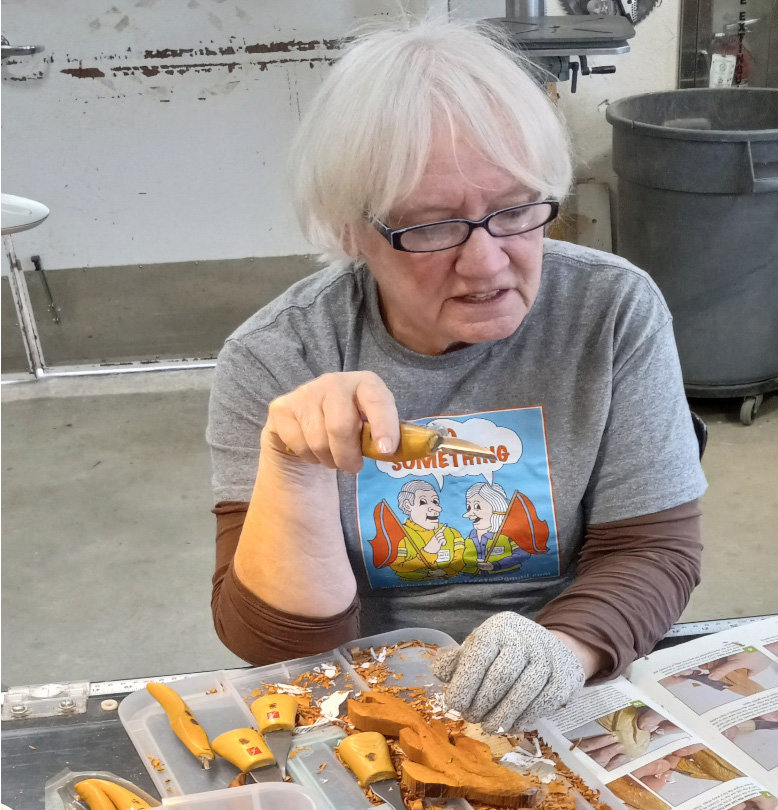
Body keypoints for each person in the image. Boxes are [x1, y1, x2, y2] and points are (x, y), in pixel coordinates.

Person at [206, 15, 706, 735]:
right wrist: (296, 470)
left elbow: (652, 549)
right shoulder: (280, 357)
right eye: (431, 226)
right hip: (368, 694)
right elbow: (276, 646)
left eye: (513, 210)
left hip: (567, 674)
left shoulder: (609, 309)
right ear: (351, 231)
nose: (486, 262)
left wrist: (562, 650)